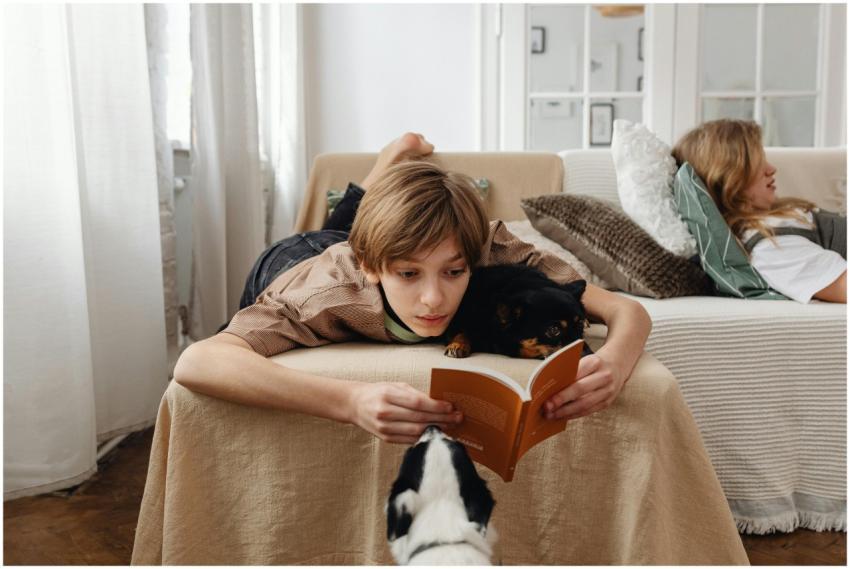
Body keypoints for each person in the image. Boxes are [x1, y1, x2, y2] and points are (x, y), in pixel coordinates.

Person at [174, 132, 652, 444]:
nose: (434, 300)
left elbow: (626, 311)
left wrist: (613, 361)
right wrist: (349, 400)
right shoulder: (320, 295)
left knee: (356, 233)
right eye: (409, 275)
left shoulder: (490, 246)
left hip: (365, 247)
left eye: (453, 272)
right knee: (332, 235)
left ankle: (387, 176)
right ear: (374, 268)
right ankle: (384, 168)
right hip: (292, 259)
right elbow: (198, 361)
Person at [672, 119, 846, 304]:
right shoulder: (771, 250)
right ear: (727, 177)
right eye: (756, 163)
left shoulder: (773, 221)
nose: (771, 169)